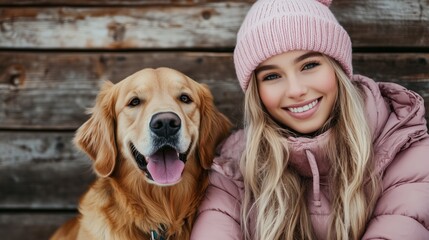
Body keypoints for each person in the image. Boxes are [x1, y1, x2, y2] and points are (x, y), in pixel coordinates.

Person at [190, 0, 429, 239]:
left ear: (337, 68)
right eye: (272, 76)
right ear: (257, 92)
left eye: (309, 65)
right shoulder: (236, 165)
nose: (295, 90)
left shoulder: (404, 148)